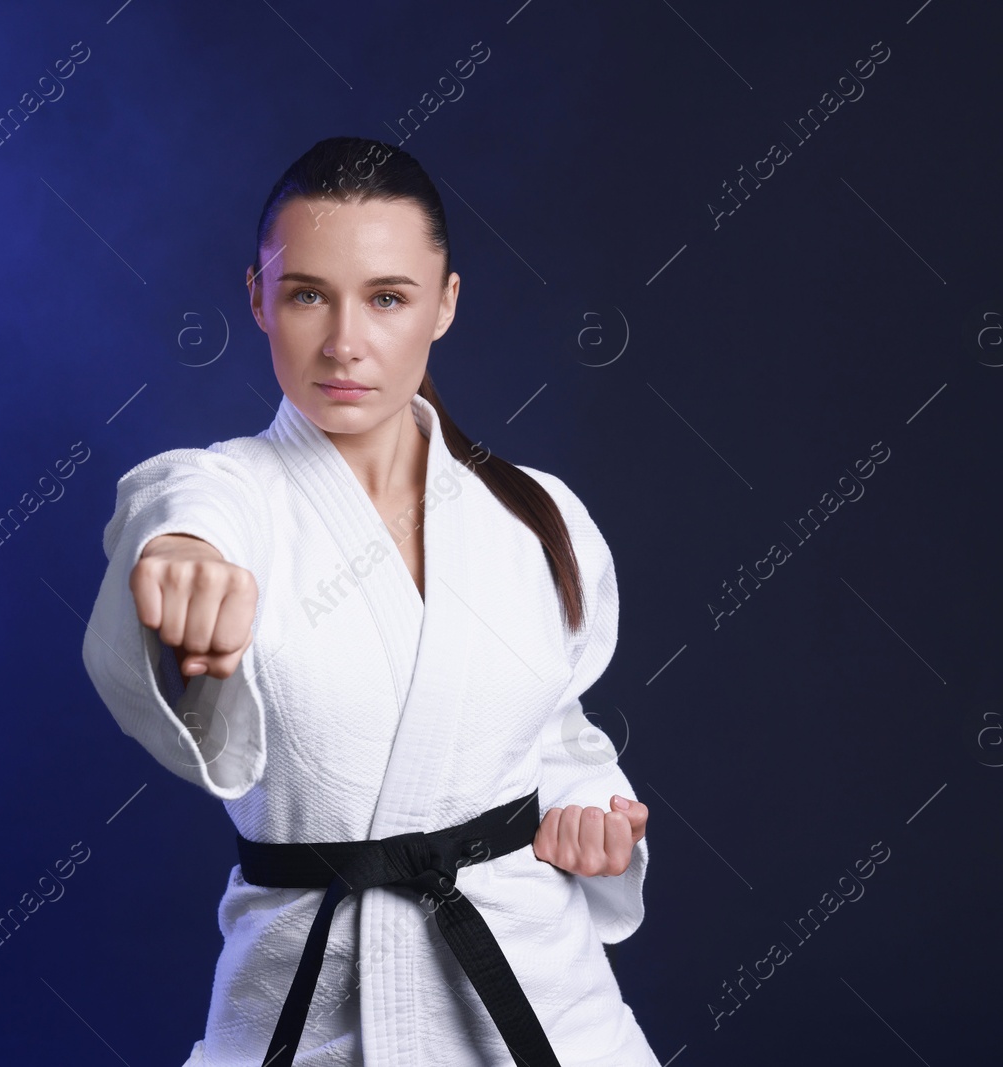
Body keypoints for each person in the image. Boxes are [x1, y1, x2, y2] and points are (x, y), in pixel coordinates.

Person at [81, 136, 661, 1066]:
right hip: (303, 1017)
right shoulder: (230, 496)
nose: (345, 341)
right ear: (259, 299)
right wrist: (183, 553)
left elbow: (555, 732)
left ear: (444, 306)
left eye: (387, 298)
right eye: (308, 293)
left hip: (548, 1014)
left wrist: (592, 809)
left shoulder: (537, 514)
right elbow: (178, 503)